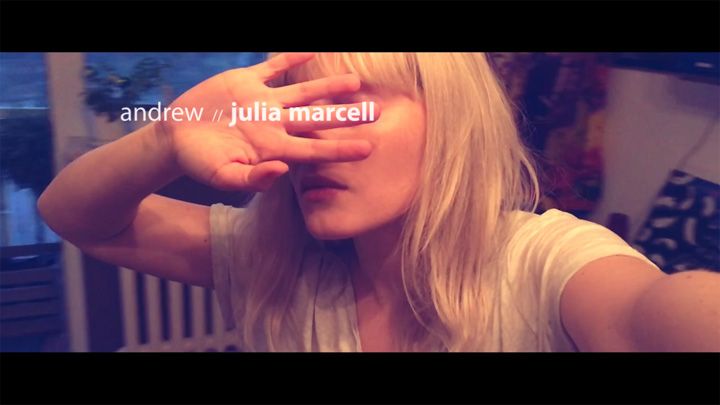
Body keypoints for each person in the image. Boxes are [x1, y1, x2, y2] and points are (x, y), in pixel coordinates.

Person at [38, 53, 720, 352]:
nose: (310, 140)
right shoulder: (272, 261)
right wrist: (167, 134)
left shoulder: (544, 264)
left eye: (351, 107)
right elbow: (73, 217)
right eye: (298, 114)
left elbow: (659, 315)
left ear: (450, 123)